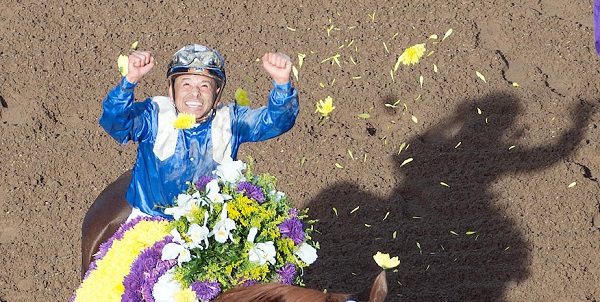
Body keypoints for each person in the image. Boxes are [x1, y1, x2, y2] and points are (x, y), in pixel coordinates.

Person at [82, 44, 298, 276]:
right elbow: (114, 121)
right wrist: (129, 81)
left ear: (217, 93)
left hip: (214, 230)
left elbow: (276, 122)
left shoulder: (232, 120)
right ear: (171, 89)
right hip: (151, 224)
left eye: (204, 85)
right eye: (186, 84)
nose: (194, 93)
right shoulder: (152, 114)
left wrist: (282, 85)